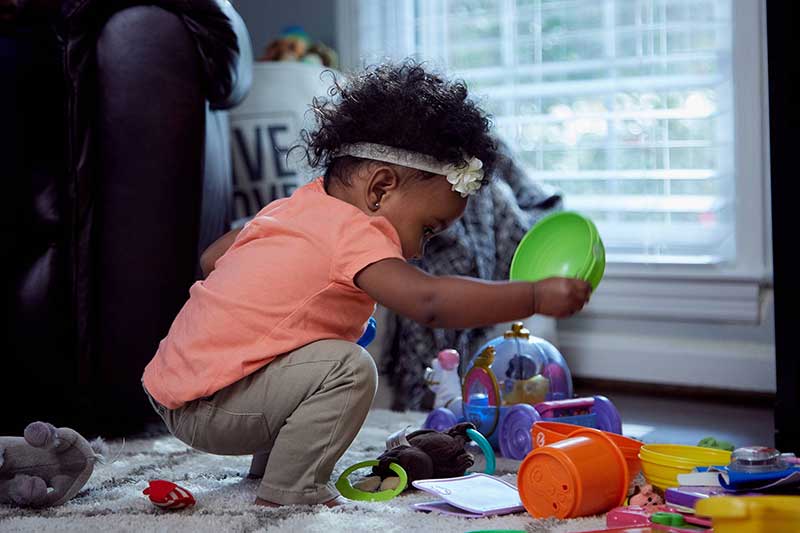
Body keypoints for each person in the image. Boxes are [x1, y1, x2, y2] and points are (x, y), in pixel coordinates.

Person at [141, 60, 591, 507]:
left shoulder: (290, 207)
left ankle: (274, 468)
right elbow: (429, 300)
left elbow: (212, 258)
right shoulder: (355, 231)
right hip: (213, 409)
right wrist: (533, 295)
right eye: (428, 228)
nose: (417, 250)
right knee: (349, 367)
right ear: (379, 189)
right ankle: (292, 492)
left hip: (176, 389)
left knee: (302, 350)